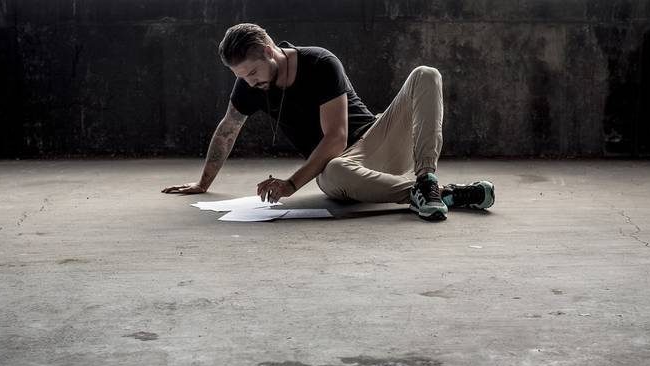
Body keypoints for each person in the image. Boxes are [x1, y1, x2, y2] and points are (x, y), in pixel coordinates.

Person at [162, 23, 494, 221]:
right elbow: (228, 128)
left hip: (377, 140)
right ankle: (439, 195)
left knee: (426, 74)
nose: (250, 82)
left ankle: (426, 178)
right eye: (241, 77)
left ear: (268, 50)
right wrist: (203, 183)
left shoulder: (319, 62)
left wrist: (290, 185)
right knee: (332, 170)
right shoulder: (251, 86)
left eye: (252, 72)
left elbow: (336, 137)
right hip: (343, 172)